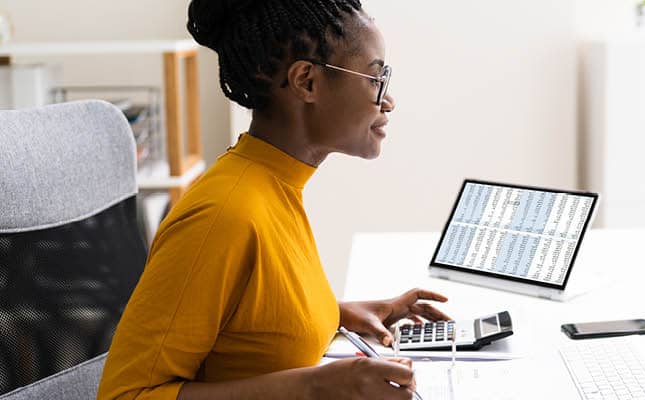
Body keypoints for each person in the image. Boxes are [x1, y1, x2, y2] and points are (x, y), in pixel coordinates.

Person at [96, 1, 448, 399]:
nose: (388, 101)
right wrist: (316, 386)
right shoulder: (224, 215)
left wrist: (343, 314)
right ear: (307, 81)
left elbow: (257, 319)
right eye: (374, 79)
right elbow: (125, 395)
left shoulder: (277, 184)